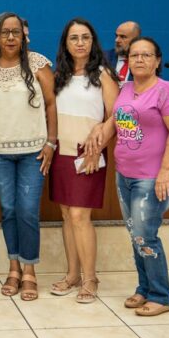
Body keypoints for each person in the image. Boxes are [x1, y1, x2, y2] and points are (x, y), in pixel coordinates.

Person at [89, 36, 169, 317]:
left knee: (146, 236)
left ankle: (161, 294)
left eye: (146, 55)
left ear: (157, 61)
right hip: (125, 175)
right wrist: (100, 136)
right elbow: (118, 122)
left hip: (152, 176)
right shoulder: (126, 88)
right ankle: (144, 288)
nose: (140, 60)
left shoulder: (166, 92)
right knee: (136, 235)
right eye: (134, 55)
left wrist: (165, 172)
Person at [0, 12, 57, 302]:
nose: (10, 37)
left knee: (27, 211)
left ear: (24, 36)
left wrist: (51, 143)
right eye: (4, 33)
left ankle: (30, 271)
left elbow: (50, 105)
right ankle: (13, 268)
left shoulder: (37, 63)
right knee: (8, 210)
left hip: (33, 153)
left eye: (16, 32)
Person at [49, 18, 119, 303]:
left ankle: (91, 279)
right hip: (61, 152)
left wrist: (100, 133)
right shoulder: (58, 76)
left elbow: (118, 115)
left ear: (93, 42)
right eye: (74, 38)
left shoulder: (102, 74)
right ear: (65, 43)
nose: (80, 42)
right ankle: (72, 274)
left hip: (87, 153)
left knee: (80, 216)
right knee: (67, 215)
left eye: (85, 37)